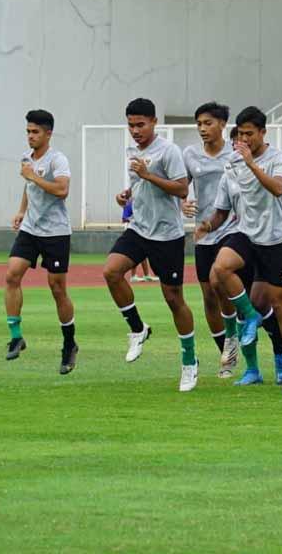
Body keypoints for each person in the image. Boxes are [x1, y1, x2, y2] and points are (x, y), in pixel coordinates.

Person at [201, 106, 282, 395]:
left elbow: (278, 189)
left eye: (250, 133)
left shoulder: (278, 159)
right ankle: (249, 318)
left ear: (263, 132)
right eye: (241, 134)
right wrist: (207, 225)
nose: (245, 139)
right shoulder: (233, 164)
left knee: (278, 305)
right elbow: (222, 211)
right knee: (219, 270)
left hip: (273, 241)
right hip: (245, 235)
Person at [102, 98, 198, 391]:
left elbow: (182, 188)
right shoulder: (132, 150)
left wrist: (147, 175)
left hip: (167, 234)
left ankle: (189, 363)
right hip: (140, 229)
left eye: (140, 124)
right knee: (111, 272)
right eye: (131, 125)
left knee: (173, 299)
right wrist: (127, 194)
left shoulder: (169, 151)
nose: (135, 130)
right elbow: (140, 184)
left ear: (154, 122)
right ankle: (137, 328)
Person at [4, 109, 77, 374]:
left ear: (48, 133)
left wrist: (34, 176)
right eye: (28, 131)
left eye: (35, 132)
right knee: (12, 274)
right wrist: (21, 211)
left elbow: (62, 190)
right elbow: (29, 187)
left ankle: (69, 344)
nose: (30, 136)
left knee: (57, 288)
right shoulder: (26, 158)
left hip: (56, 232)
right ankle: (16, 335)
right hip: (30, 229)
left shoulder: (58, 160)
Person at [181, 102, 241, 379]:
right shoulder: (190, 154)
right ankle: (226, 351)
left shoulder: (236, 153)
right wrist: (183, 202)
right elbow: (181, 185)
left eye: (208, 123)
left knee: (221, 282)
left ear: (222, 125)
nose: (203, 129)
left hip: (232, 229)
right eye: (199, 124)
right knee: (208, 294)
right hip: (203, 231)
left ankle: (234, 337)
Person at [121, 203, 156, 282]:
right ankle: (133, 276)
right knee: (135, 254)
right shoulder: (129, 205)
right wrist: (134, 219)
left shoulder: (140, 203)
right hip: (132, 231)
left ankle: (146, 275)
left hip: (141, 230)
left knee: (143, 254)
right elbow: (124, 219)